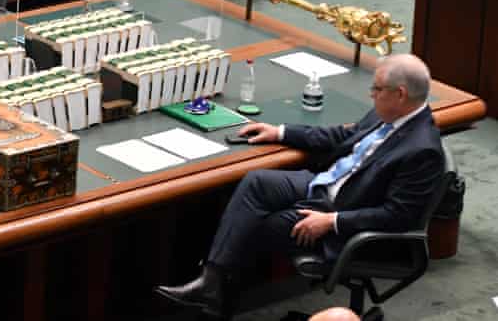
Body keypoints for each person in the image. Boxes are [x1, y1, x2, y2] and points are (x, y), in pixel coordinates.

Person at [155, 54, 445, 319]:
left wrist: (332, 221)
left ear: (401, 94)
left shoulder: (421, 150)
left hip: (341, 210)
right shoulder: (389, 113)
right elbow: (341, 136)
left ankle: (216, 304)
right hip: (324, 184)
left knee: (256, 225)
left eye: (377, 90)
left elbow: (398, 215)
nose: (371, 95)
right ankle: (211, 282)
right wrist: (279, 132)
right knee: (256, 181)